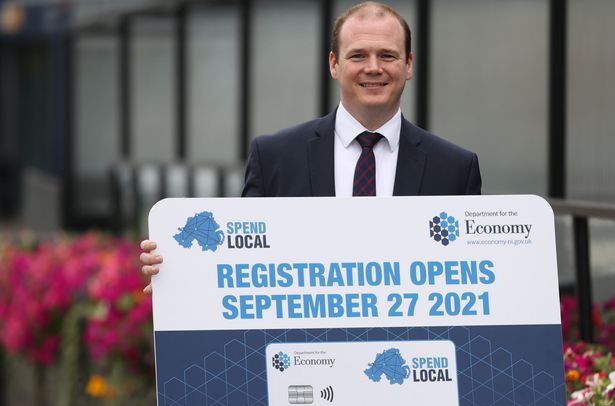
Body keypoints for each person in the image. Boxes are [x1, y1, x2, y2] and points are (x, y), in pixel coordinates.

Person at [140, 1, 481, 292]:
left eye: (387, 55)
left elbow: (475, 277)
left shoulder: (454, 169)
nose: (374, 67)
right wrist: (180, 273)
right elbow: (243, 257)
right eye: (358, 55)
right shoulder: (274, 157)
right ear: (334, 64)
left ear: (408, 65)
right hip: (304, 359)